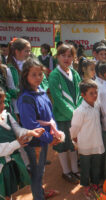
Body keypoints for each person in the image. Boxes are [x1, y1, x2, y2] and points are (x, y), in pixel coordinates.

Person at [18, 58, 62, 199]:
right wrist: (50, 138)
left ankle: (40, 193)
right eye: (34, 75)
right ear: (25, 76)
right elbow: (31, 125)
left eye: (40, 74)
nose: (38, 78)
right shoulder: (26, 98)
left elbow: (50, 115)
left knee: (40, 169)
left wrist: (54, 133)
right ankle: (39, 197)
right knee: (37, 172)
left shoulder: (41, 90)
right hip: (34, 141)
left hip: (43, 138)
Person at [0, 87, 44, 200]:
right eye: (0, 103)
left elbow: (18, 130)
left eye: (4, 102)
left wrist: (30, 133)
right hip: (1, 166)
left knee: (10, 190)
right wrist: (16, 144)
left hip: (12, 163)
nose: (3, 106)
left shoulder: (7, 116)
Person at [48, 43, 82, 184]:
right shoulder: (55, 75)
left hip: (74, 116)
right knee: (62, 145)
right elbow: (58, 99)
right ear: (58, 57)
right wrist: (73, 114)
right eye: (63, 55)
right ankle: (66, 171)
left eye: (70, 56)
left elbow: (80, 94)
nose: (66, 59)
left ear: (74, 58)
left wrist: (78, 111)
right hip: (62, 117)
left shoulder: (74, 73)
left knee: (73, 144)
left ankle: (75, 170)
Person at [70, 80, 105, 198]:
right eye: (91, 93)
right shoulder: (80, 111)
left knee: (96, 166)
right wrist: (75, 140)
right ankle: (86, 186)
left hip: (97, 143)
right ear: (83, 95)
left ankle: (95, 184)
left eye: (96, 92)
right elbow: (74, 128)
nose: (95, 95)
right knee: (85, 168)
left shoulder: (97, 106)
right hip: (85, 146)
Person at [6, 38, 31, 115]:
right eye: (26, 51)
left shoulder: (30, 65)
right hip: (16, 108)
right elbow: (6, 90)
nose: (29, 53)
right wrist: (22, 93)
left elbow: (43, 81)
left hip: (31, 106)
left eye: (30, 51)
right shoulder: (8, 68)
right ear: (17, 52)